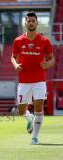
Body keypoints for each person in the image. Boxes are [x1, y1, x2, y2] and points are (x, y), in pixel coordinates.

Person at [11, 11, 55, 144]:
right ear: (25, 23)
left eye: (33, 21)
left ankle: (35, 137)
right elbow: (13, 57)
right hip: (24, 81)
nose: (31, 23)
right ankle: (29, 118)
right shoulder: (18, 40)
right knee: (21, 111)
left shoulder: (44, 41)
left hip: (39, 80)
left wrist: (48, 63)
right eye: (28, 21)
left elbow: (52, 59)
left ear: (37, 23)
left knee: (39, 107)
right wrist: (15, 64)